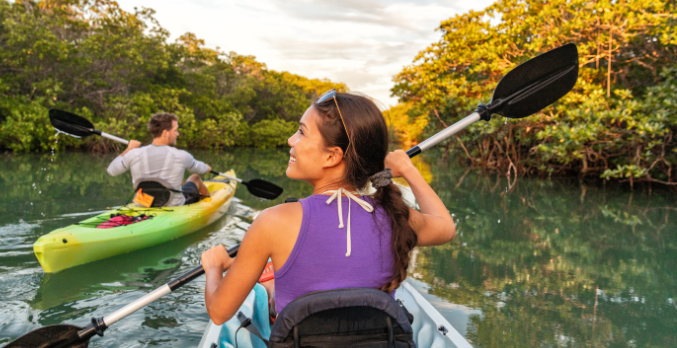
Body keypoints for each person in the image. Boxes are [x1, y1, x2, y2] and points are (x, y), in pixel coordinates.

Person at [200, 90, 456, 324]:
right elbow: (446, 227)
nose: (290, 140)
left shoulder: (273, 222)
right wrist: (409, 170)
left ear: (332, 156)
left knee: (269, 286)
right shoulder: (395, 215)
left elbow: (219, 312)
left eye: (301, 132)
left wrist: (214, 268)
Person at [107, 112, 211, 206]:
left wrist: (129, 149)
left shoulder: (134, 153)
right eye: (175, 130)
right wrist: (207, 168)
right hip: (173, 205)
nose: (177, 134)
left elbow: (111, 170)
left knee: (180, 178)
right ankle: (210, 201)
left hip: (143, 204)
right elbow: (201, 169)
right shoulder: (181, 155)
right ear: (165, 133)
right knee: (195, 178)